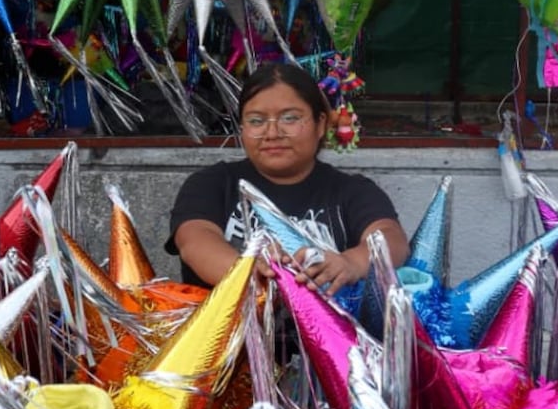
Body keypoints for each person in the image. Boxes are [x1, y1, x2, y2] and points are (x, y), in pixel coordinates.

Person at [166, 63, 409, 295]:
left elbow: (392, 238)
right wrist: (248, 272)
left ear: (321, 123)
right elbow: (194, 240)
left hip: (330, 335)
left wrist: (351, 263)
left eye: (290, 118)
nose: (272, 133)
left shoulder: (352, 190)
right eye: (256, 121)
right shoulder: (212, 183)